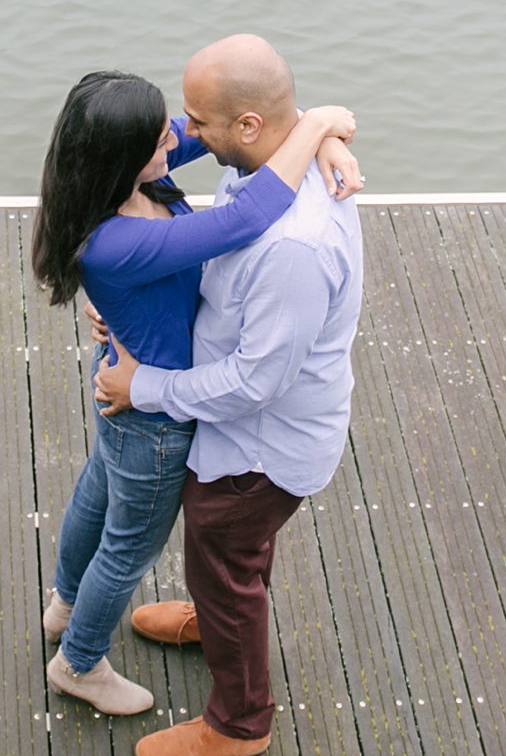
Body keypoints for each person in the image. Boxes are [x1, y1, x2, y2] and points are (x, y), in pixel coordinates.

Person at [29, 67, 361, 715]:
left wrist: (319, 136)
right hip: (151, 414)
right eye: (162, 137)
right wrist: (321, 122)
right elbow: (247, 217)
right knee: (129, 547)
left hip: (127, 382)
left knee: (96, 494)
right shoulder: (120, 240)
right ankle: (79, 662)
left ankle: (65, 605)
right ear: (123, 155)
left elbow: (238, 128)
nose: (179, 139)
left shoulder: (116, 183)